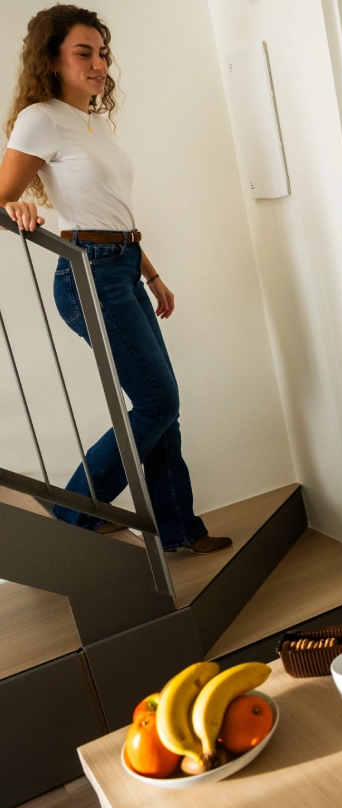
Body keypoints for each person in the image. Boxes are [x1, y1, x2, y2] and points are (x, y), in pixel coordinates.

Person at [0, 6, 230, 555]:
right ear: (51, 60)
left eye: (102, 53)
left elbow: (111, 214)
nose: (99, 64)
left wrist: (152, 275)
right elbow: (3, 194)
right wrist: (17, 207)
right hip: (88, 273)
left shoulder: (95, 122)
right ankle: (72, 512)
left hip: (123, 266)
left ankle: (178, 530)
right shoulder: (41, 118)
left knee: (163, 404)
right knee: (157, 402)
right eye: (84, 53)